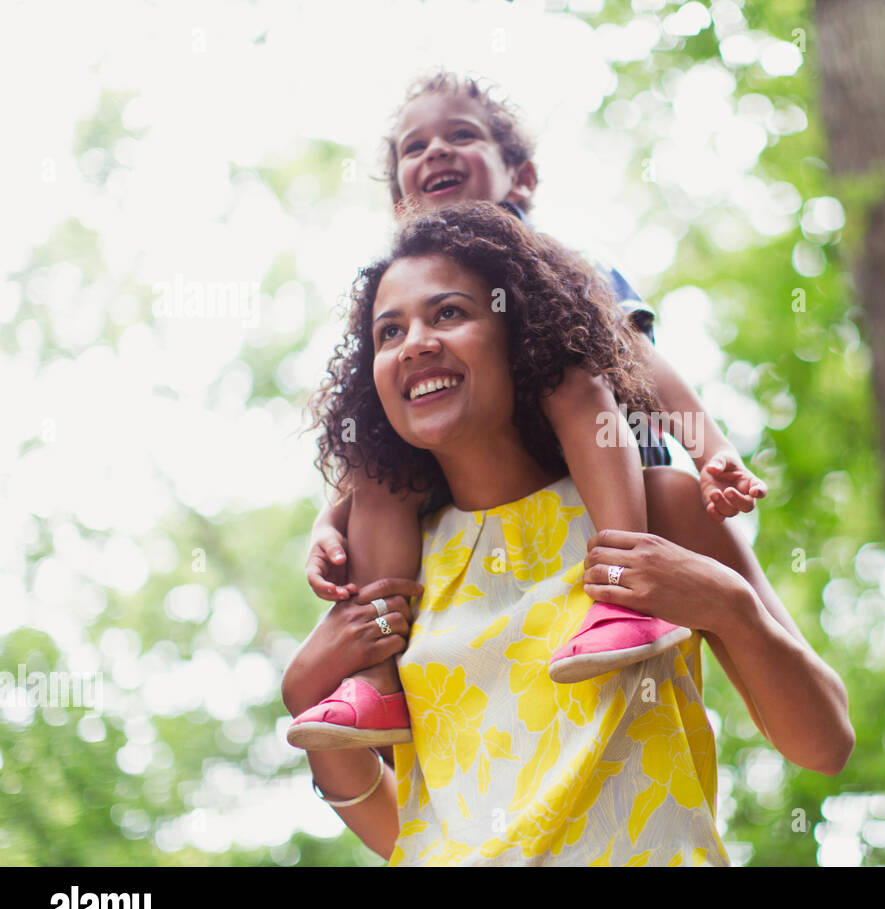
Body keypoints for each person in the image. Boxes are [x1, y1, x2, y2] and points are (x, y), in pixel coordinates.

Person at [280, 203, 853, 865]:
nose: (414, 343)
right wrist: (304, 696)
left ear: (521, 335)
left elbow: (825, 744)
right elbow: (410, 835)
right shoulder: (394, 567)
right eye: (389, 331)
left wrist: (731, 607)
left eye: (449, 314)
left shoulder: (653, 510)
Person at [289, 71, 767, 750]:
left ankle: (617, 591)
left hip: (591, 448)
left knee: (571, 373)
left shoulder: (553, 264)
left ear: (522, 178)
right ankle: (377, 679)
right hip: (468, 466)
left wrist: (709, 448)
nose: (435, 153)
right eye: (414, 147)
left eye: (461, 135)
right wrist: (326, 518)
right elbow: (375, 429)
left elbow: (638, 361)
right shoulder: (402, 289)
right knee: (376, 472)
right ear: (401, 200)